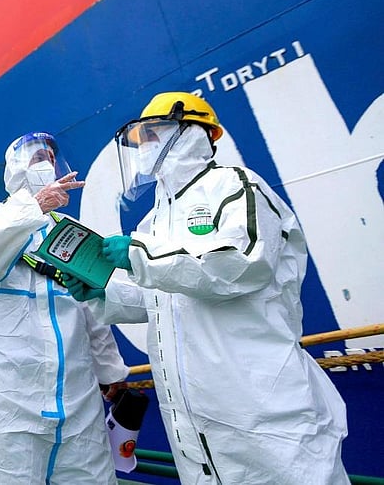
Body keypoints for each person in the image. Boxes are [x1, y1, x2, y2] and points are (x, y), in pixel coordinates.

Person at [84, 91, 349, 484]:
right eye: (141, 140)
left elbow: (243, 263)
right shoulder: (152, 222)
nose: (146, 148)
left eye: (154, 134)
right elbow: (161, 298)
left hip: (262, 406)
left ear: (195, 133)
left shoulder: (235, 186)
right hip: (194, 423)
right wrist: (101, 293)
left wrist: (141, 256)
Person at [0, 132, 129, 484]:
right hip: (13, 403)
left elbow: (91, 305)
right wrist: (33, 208)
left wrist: (112, 372)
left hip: (79, 404)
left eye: (50, 157)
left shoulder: (69, 230)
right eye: (36, 159)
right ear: (15, 169)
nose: (46, 165)